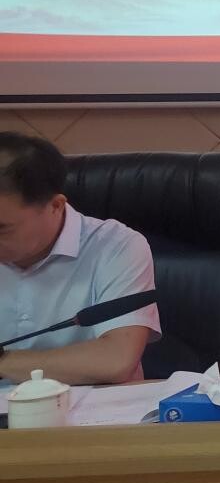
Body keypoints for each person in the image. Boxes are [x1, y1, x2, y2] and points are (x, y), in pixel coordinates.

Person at [0, 132, 160, 385]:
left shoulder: (116, 246)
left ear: (55, 206)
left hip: (91, 408)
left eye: (2, 229)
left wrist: (4, 363)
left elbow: (116, 360)